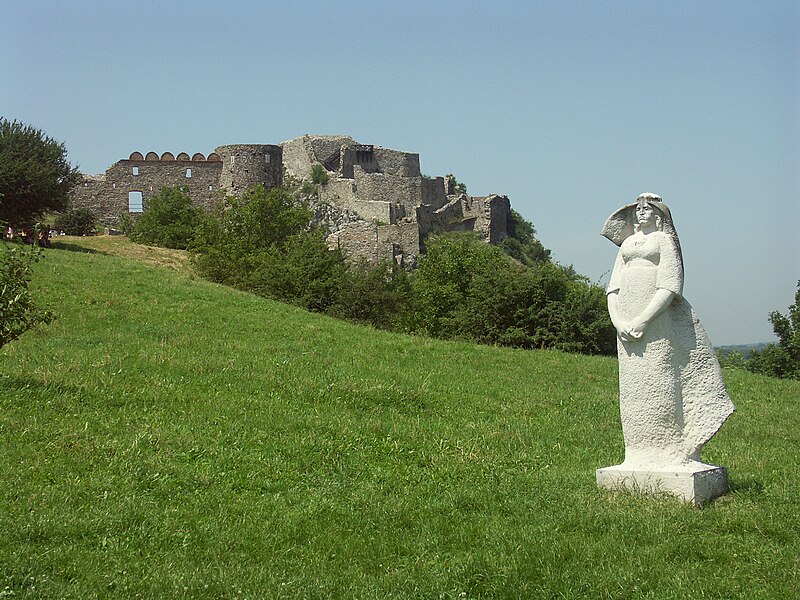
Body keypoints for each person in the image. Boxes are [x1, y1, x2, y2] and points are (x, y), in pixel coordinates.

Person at [602, 193, 733, 469]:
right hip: (625, 322)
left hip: (656, 321)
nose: (640, 213)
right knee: (633, 385)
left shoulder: (663, 241)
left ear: (659, 215)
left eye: (646, 209)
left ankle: (667, 448)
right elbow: (613, 287)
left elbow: (670, 285)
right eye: (637, 209)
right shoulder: (626, 244)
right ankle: (637, 449)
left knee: (659, 375)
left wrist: (644, 319)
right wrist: (618, 320)